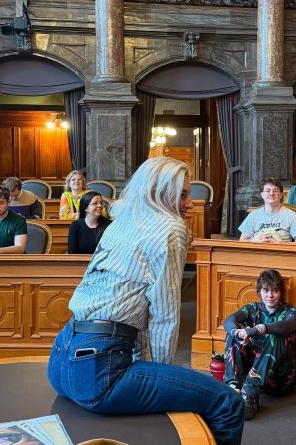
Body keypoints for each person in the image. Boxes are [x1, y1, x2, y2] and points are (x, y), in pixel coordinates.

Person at [48, 157, 245, 445]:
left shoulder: (122, 221)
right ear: (158, 192)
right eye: (183, 194)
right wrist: (160, 372)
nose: (190, 204)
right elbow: (164, 315)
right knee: (229, 403)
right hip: (100, 373)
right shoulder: (171, 228)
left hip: (61, 359)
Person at [224, 269, 296, 420]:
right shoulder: (253, 308)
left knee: (275, 337)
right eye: (266, 290)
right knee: (233, 333)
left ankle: (249, 396)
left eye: (275, 291)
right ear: (259, 291)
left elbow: (288, 325)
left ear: (281, 293)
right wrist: (238, 334)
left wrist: (258, 329)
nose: (270, 295)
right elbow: (229, 320)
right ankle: (233, 387)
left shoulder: (291, 312)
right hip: (253, 375)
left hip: (279, 380)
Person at [239, 178, 296, 244]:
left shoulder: (291, 215)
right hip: (257, 253)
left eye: (275, 191)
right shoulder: (253, 215)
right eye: (267, 191)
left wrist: (278, 243)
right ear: (262, 194)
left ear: (281, 195)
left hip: (281, 253)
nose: (271, 194)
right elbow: (242, 240)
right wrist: (255, 241)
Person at [0, 185, 27, 254]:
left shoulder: (19, 220)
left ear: (8, 201)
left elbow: (20, 248)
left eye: (1, 203)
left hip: (11, 262)